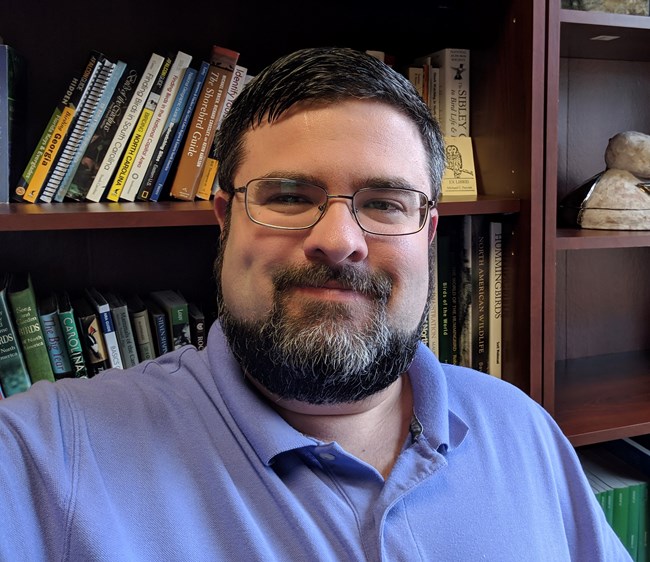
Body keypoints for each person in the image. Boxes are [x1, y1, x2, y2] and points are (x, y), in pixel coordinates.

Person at [0, 47, 630, 561]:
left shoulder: (521, 428)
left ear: (428, 234)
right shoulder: (42, 454)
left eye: (385, 204)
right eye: (289, 196)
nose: (338, 242)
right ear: (226, 222)